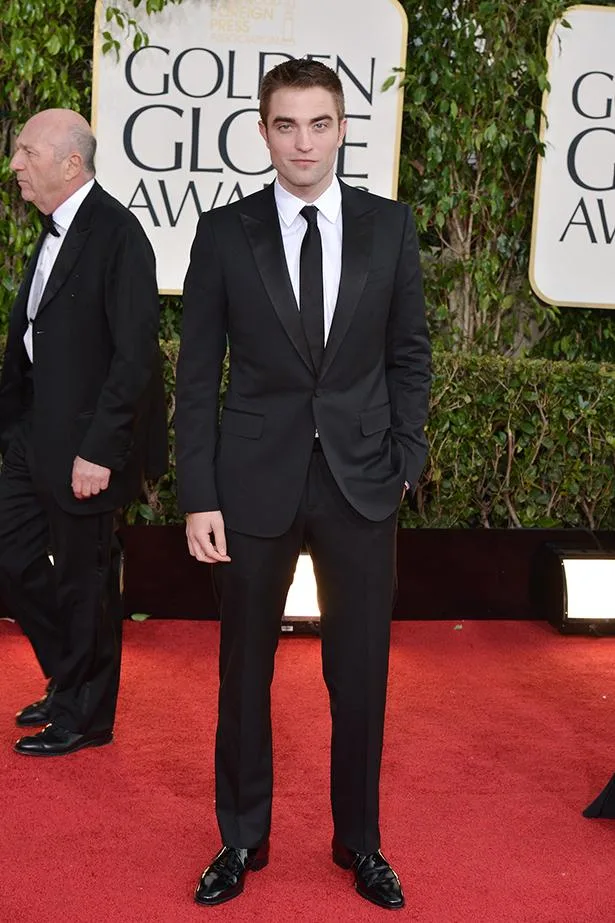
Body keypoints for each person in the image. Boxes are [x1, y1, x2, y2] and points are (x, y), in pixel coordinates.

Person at [176, 59, 431, 910]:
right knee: (242, 672)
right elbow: (195, 376)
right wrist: (198, 494)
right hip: (249, 485)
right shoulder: (222, 233)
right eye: (286, 125)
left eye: (318, 124)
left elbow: (408, 357)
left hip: (362, 482)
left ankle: (361, 839)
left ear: (343, 128)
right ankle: (240, 837)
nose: (303, 142)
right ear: (262, 132)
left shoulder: (389, 228)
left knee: (359, 673)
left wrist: (405, 458)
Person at [0, 108, 167, 756]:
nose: (15, 165)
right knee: (11, 554)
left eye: (26, 153)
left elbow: (134, 357)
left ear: (71, 162)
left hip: (85, 448)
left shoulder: (118, 235)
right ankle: (68, 675)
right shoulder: (53, 231)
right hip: (32, 434)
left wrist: (99, 449)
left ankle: (87, 714)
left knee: (86, 581)